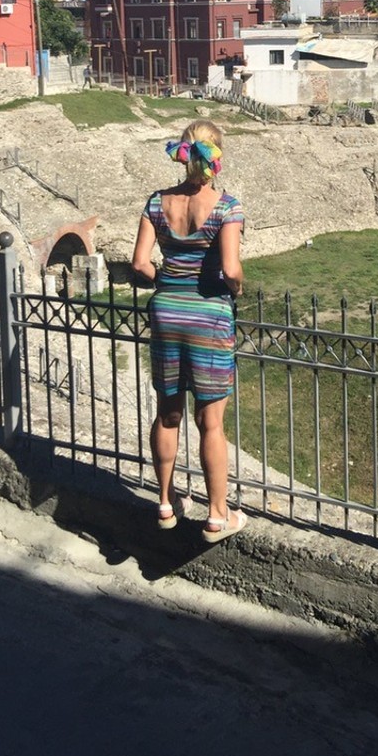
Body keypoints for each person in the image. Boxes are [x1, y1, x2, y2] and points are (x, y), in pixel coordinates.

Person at [131, 119, 247, 542]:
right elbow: (231, 269)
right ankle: (218, 515)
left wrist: (166, 278)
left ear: (183, 154)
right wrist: (236, 286)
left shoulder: (157, 203)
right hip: (208, 316)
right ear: (217, 155)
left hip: (165, 311)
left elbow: (140, 264)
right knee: (210, 422)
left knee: (169, 411)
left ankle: (165, 503)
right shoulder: (225, 206)